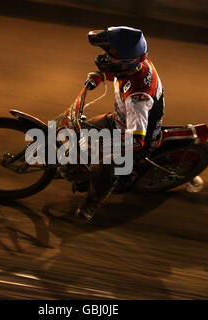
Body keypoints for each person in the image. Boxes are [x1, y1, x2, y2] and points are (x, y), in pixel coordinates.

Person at [75, 26, 165, 221]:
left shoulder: (138, 98)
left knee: (103, 166)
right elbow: (119, 74)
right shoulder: (136, 64)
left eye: (112, 55)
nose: (106, 57)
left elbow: (137, 140)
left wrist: (104, 150)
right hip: (120, 120)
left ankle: (92, 203)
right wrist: (101, 76)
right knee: (82, 131)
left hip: (136, 138)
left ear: (126, 63)